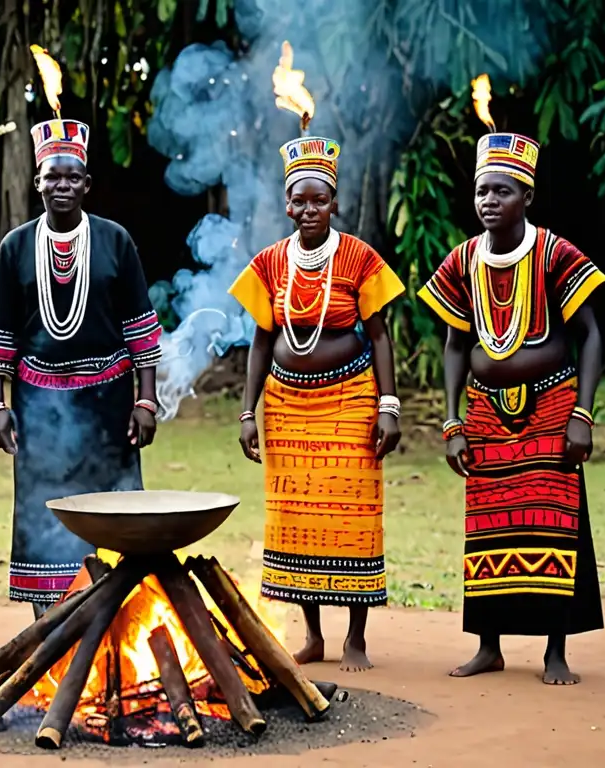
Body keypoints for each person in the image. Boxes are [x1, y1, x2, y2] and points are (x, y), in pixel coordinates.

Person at [418, 132, 605, 685]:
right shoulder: (462, 261)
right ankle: (489, 646)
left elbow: (591, 335)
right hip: (485, 413)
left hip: (551, 404)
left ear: (527, 196)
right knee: (489, 524)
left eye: (502, 191)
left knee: (554, 521)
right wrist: (452, 421)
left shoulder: (554, 254)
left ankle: (555, 651)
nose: (489, 201)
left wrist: (582, 414)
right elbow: (456, 345)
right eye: (482, 191)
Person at [229, 136, 404, 672]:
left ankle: (356, 638)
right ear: (287, 204)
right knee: (296, 516)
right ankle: (312, 635)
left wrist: (389, 405)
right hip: (286, 406)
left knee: (352, 516)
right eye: (299, 201)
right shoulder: (270, 263)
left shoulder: (359, 258)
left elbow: (379, 336)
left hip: (350, 399)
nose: (309, 210)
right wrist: (248, 412)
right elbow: (262, 341)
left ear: (335, 203)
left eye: (319, 200)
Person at [0, 118, 162, 619]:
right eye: (52, 176)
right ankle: (49, 624)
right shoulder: (16, 247)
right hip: (38, 403)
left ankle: (121, 614)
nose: (62, 185)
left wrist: (145, 400)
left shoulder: (115, 240)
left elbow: (141, 328)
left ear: (86, 184)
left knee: (115, 507)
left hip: (109, 401)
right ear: (38, 182)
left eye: (72, 177)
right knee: (45, 505)